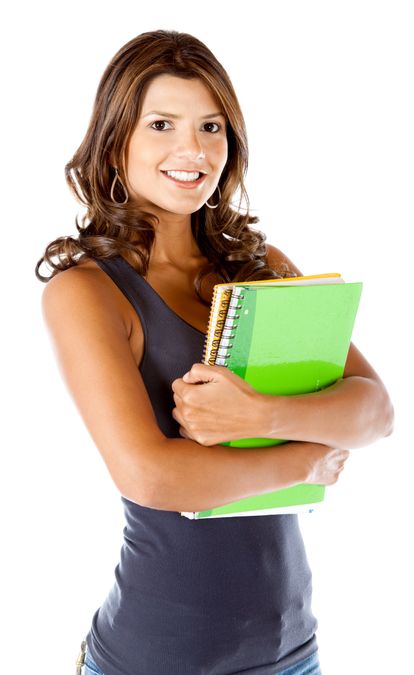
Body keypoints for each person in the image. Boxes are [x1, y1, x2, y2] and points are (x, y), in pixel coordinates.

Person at [36, 30, 394, 675]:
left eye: (211, 127)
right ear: (116, 142)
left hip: (292, 651)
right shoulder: (87, 290)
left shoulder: (262, 266)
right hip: (160, 658)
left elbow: (374, 410)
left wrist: (261, 419)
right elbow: (149, 476)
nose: (191, 150)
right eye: (162, 124)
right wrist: (305, 464)